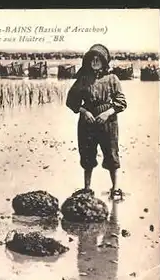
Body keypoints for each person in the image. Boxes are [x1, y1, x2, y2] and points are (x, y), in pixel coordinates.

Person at [66, 44, 127, 199]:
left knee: (111, 154)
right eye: (92, 59)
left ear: (103, 61)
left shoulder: (112, 79)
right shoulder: (83, 79)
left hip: (108, 123)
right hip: (87, 123)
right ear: (88, 62)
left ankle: (115, 188)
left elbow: (121, 102)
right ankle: (87, 188)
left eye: (98, 59)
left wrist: (107, 113)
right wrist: (84, 111)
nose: (95, 62)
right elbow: (71, 101)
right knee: (87, 154)